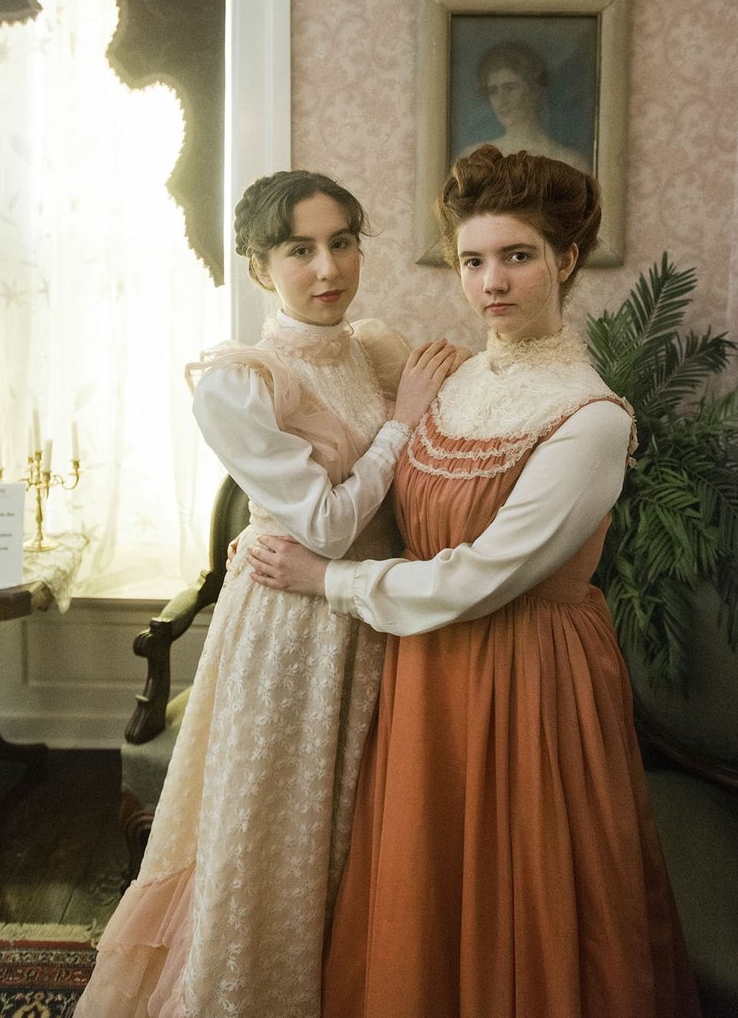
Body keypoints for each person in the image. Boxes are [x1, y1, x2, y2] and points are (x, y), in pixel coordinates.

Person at [247, 147, 703, 1017]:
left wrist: (327, 579)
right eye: (472, 260)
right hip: (424, 672)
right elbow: (353, 469)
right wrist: (272, 535)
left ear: (566, 261)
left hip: (529, 678)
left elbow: (483, 576)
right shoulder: (447, 379)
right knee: (427, 898)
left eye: (517, 256)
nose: (492, 282)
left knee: (525, 909)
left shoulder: (590, 416)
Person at [74, 169, 460, 1017]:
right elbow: (322, 524)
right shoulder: (237, 380)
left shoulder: (374, 346)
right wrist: (403, 421)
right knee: (280, 841)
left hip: (380, 616)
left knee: (368, 835)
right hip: (293, 628)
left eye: (343, 243)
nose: (329, 269)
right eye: (300, 250)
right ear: (259, 267)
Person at [462, 40, 591, 172]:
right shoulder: (473, 159)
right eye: (493, 91)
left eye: (510, 88)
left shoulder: (570, 162)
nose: (501, 100)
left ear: (534, 90)